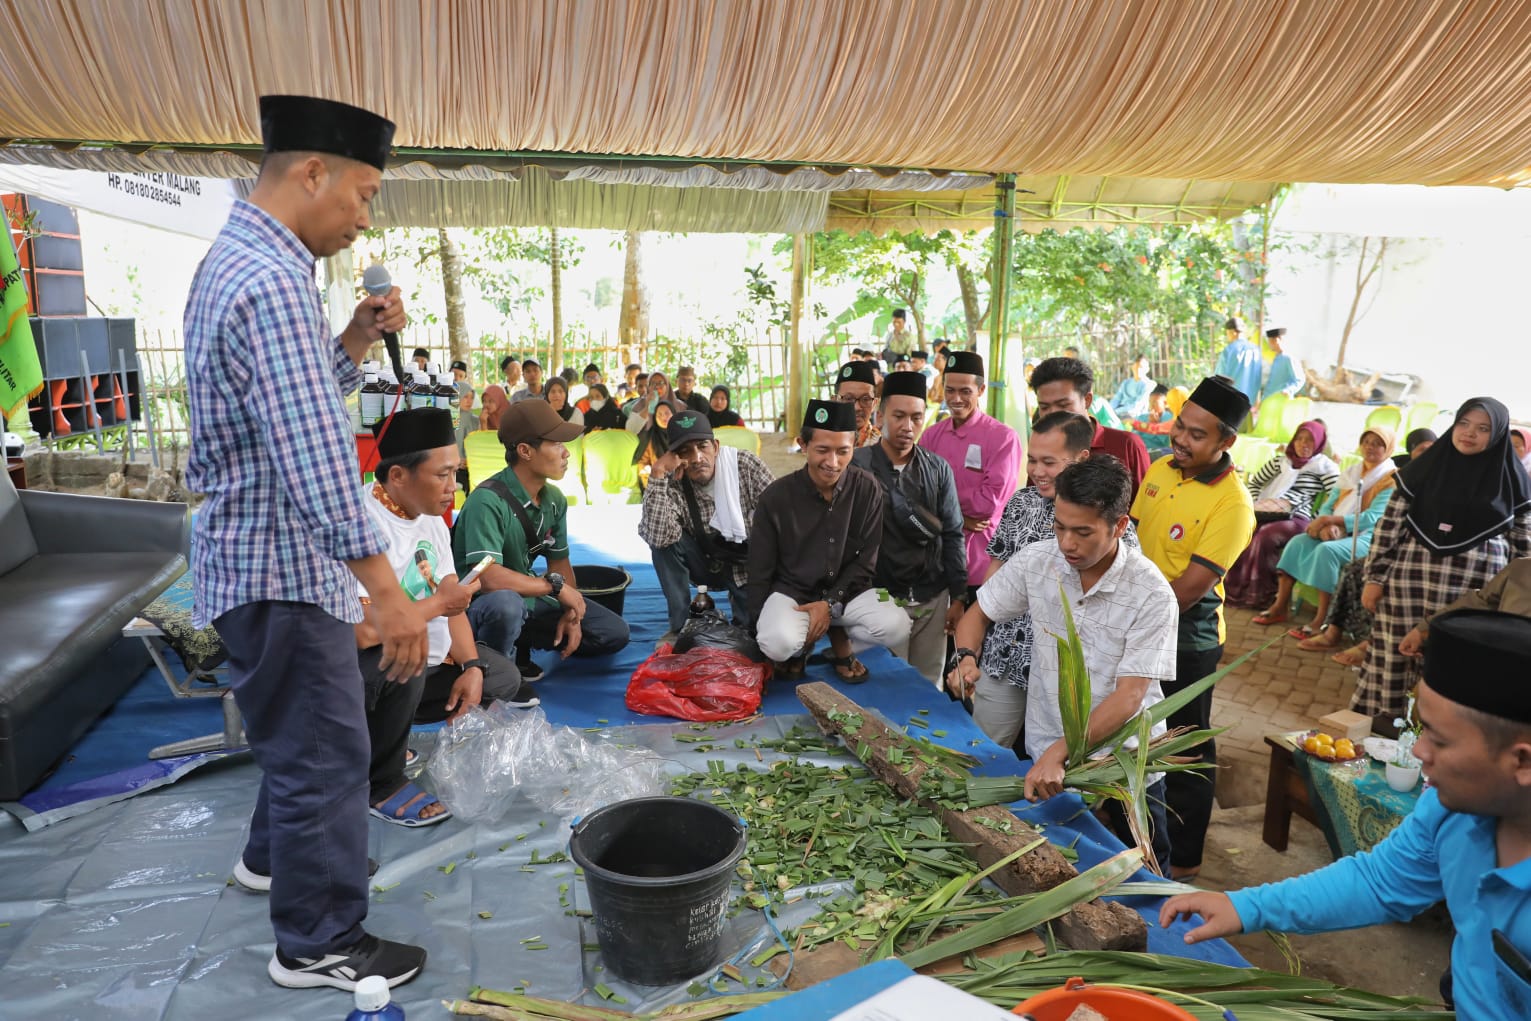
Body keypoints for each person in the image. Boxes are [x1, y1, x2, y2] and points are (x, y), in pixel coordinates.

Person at [183, 94, 427, 991]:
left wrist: (355, 340)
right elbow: (316, 452)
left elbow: (283, 398)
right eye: (362, 193)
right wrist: (385, 589)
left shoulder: (240, 261)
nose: (365, 216)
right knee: (328, 752)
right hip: (280, 566)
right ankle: (319, 938)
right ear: (311, 172)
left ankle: (265, 862)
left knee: (294, 738)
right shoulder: (272, 280)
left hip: (250, 558)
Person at [1161, 609, 1531, 1021]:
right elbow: (1379, 880)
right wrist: (1246, 907)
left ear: (1522, 762)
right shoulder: (1451, 810)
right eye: (1422, 729)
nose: (1420, 752)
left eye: (1440, 741)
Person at [949, 456, 1178, 873]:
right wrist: (965, 658)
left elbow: (1130, 696)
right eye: (1059, 526)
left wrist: (1061, 751)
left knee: (1142, 878)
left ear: (1121, 526)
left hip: (1120, 769)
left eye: (1083, 532)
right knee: (1057, 871)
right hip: (1046, 762)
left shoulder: (1151, 593)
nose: (1068, 543)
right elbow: (977, 615)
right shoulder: (1040, 561)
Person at [353, 409, 532, 830]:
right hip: (360, 662)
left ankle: (385, 741)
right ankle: (381, 781)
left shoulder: (431, 517)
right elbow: (361, 632)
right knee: (408, 653)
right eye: (443, 475)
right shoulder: (360, 523)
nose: (455, 486)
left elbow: (452, 602)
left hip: (421, 658)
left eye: (456, 473)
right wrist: (436, 606)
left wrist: (470, 666)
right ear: (398, 476)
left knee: (500, 678)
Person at [1130, 375, 1256, 880]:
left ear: (1226, 442)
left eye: (1197, 435)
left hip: (1189, 637)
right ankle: (1140, 836)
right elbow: (1131, 544)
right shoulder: (1160, 468)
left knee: (1185, 744)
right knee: (1140, 732)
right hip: (1139, 620)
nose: (1180, 438)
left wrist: (1128, 619)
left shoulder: (1234, 504)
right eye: (1181, 425)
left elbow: (1188, 589)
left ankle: (1184, 860)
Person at [1354, 397, 1531, 719]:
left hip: (1472, 594)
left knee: (1449, 665)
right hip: (1408, 585)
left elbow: (1524, 550)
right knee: (1394, 656)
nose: (1469, 434)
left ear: (1499, 434)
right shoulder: (1423, 468)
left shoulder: (1514, 482)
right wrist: (1375, 578)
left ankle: (1431, 742)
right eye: (1463, 424)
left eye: (1483, 428)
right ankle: (1383, 730)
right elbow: (1389, 526)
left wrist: (1510, 607)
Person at [453, 400, 631, 681]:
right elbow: (486, 578)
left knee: (613, 632)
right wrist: (555, 588)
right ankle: (490, 667)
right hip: (479, 607)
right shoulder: (486, 502)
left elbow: (559, 562)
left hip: (527, 596)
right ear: (525, 451)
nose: (566, 453)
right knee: (505, 605)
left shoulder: (555, 501)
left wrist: (572, 612)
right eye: (557, 443)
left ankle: (520, 643)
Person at [748, 399, 910, 680]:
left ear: (856, 444)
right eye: (822, 450)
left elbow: (867, 562)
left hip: (849, 593)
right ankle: (801, 647)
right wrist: (759, 629)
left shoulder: (867, 488)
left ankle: (838, 639)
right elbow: (760, 570)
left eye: (843, 451)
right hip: (794, 594)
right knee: (776, 642)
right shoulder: (775, 497)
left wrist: (829, 602)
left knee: (897, 623)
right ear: (803, 444)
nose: (832, 463)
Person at [970, 412, 1102, 747]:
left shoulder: (1104, 518)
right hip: (1004, 657)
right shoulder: (1021, 503)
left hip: (1065, 673)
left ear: (1081, 459)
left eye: (1049, 462)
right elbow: (995, 569)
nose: (1037, 472)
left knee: (1056, 766)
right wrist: (978, 638)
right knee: (982, 754)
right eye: (1031, 460)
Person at [851, 371, 966, 686]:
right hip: (883, 598)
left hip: (933, 594)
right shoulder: (858, 466)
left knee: (929, 682)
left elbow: (953, 533)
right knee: (884, 684)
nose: (907, 426)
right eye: (898, 416)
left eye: (916, 417)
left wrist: (958, 595)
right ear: (881, 414)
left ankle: (923, 738)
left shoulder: (937, 468)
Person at [639, 410, 773, 640]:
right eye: (685, 451)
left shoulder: (745, 466)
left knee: (755, 636)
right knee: (664, 544)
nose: (697, 457)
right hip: (706, 564)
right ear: (675, 456)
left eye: (703, 446)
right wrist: (658, 473)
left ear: (716, 447)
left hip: (749, 566)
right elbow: (658, 537)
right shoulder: (673, 482)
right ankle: (680, 627)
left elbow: (780, 521)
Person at [1264, 427, 1397, 638]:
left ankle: (1324, 618)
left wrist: (1332, 521)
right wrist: (1325, 524)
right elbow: (1329, 503)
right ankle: (1280, 606)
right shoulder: (1352, 472)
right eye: (1367, 442)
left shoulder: (1391, 479)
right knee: (1298, 542)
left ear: (1388, 448)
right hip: (1337, 527)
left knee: (1327, 552)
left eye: (1378, 443)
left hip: (1368, 535)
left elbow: (1373, 518)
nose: (1370, 447)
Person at [919, 351, 1023, 596]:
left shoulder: (1003, 438)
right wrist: (961, 519)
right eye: (950, 390)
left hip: (982, 565)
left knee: (975, 633)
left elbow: (987, 504)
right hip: (935, 561)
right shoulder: (931, 435)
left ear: (981, 390)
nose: (956, 399)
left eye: (965, 391)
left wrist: (940, 500)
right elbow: (916, 493)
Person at [1227, 419, 1340, 615]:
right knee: (1243, 529)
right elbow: (1254, 483)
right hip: (1268, 511)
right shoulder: (1280, 462)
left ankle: (1261, 594)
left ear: (1320, 443)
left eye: (1310, 441)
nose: (1304, 445)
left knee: (1267, 535)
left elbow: (1336, 497)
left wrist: (1319, 518)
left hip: (1297, 518)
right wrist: (1258, 503)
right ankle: (1235, 589)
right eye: (1299, 439)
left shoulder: (1325, 467)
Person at [1029, 356, 1151, 497]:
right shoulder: (1040, 449)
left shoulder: (1127, 446)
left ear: (1087, 400)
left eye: (1063, 405)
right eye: (1044, 407)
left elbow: (1145, 509)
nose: (1053, 415)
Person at [1212, 316, 1262, 411]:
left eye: (1227, 333)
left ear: (1233, 332)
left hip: (1230, 402)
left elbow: (1220, 378)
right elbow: (1258, 377)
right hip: (1249, 403)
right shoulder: (1256, 350)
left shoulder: (1229, 350)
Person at [834, 360, 882, 448]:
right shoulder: (820, 443)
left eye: (865, 399)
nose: (856, 407)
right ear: (835, 400)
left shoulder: (883, 447)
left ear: (874, 403)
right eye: (848, 399)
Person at [634, 399, 679, 487]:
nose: (663, 417)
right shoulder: (650, 438)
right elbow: (642, 464)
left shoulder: (683, 435)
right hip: (658, 484)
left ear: (674, 414)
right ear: (655, 418)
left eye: (667, 413)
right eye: (659, 414)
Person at [1259, 327, 1303, 401]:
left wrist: (1288, 391)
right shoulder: (1276, 358)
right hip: (1269, 403)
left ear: (1276, 340)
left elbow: (1299, 379)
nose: (1269, 344)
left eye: (1270, 341)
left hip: (1281, 403)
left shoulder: (1288, 358)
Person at [625, 371, 673, 435]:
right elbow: (630, 430)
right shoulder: (638, 405)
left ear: (667, 385)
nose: (657, 387)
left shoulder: (677, 405)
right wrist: (647, 407)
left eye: (660, 383)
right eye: (653, 384)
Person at [1109, 354, 1155, 418]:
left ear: (1147, 369)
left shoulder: (1149, 384)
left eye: (1141, 367)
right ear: (1133, 367)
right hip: (1119, 412)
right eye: (1137, 366)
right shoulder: (1126, 382)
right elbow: (1116, 399)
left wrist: (1116, 412)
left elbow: (1137, 405)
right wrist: (1109, 410)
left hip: (1136, 414)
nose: (1138, 369)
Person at [451, 359, 478, 459]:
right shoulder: (450, 418)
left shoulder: (475, 420)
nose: (469, 401)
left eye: (472, 398)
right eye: (465, 397)